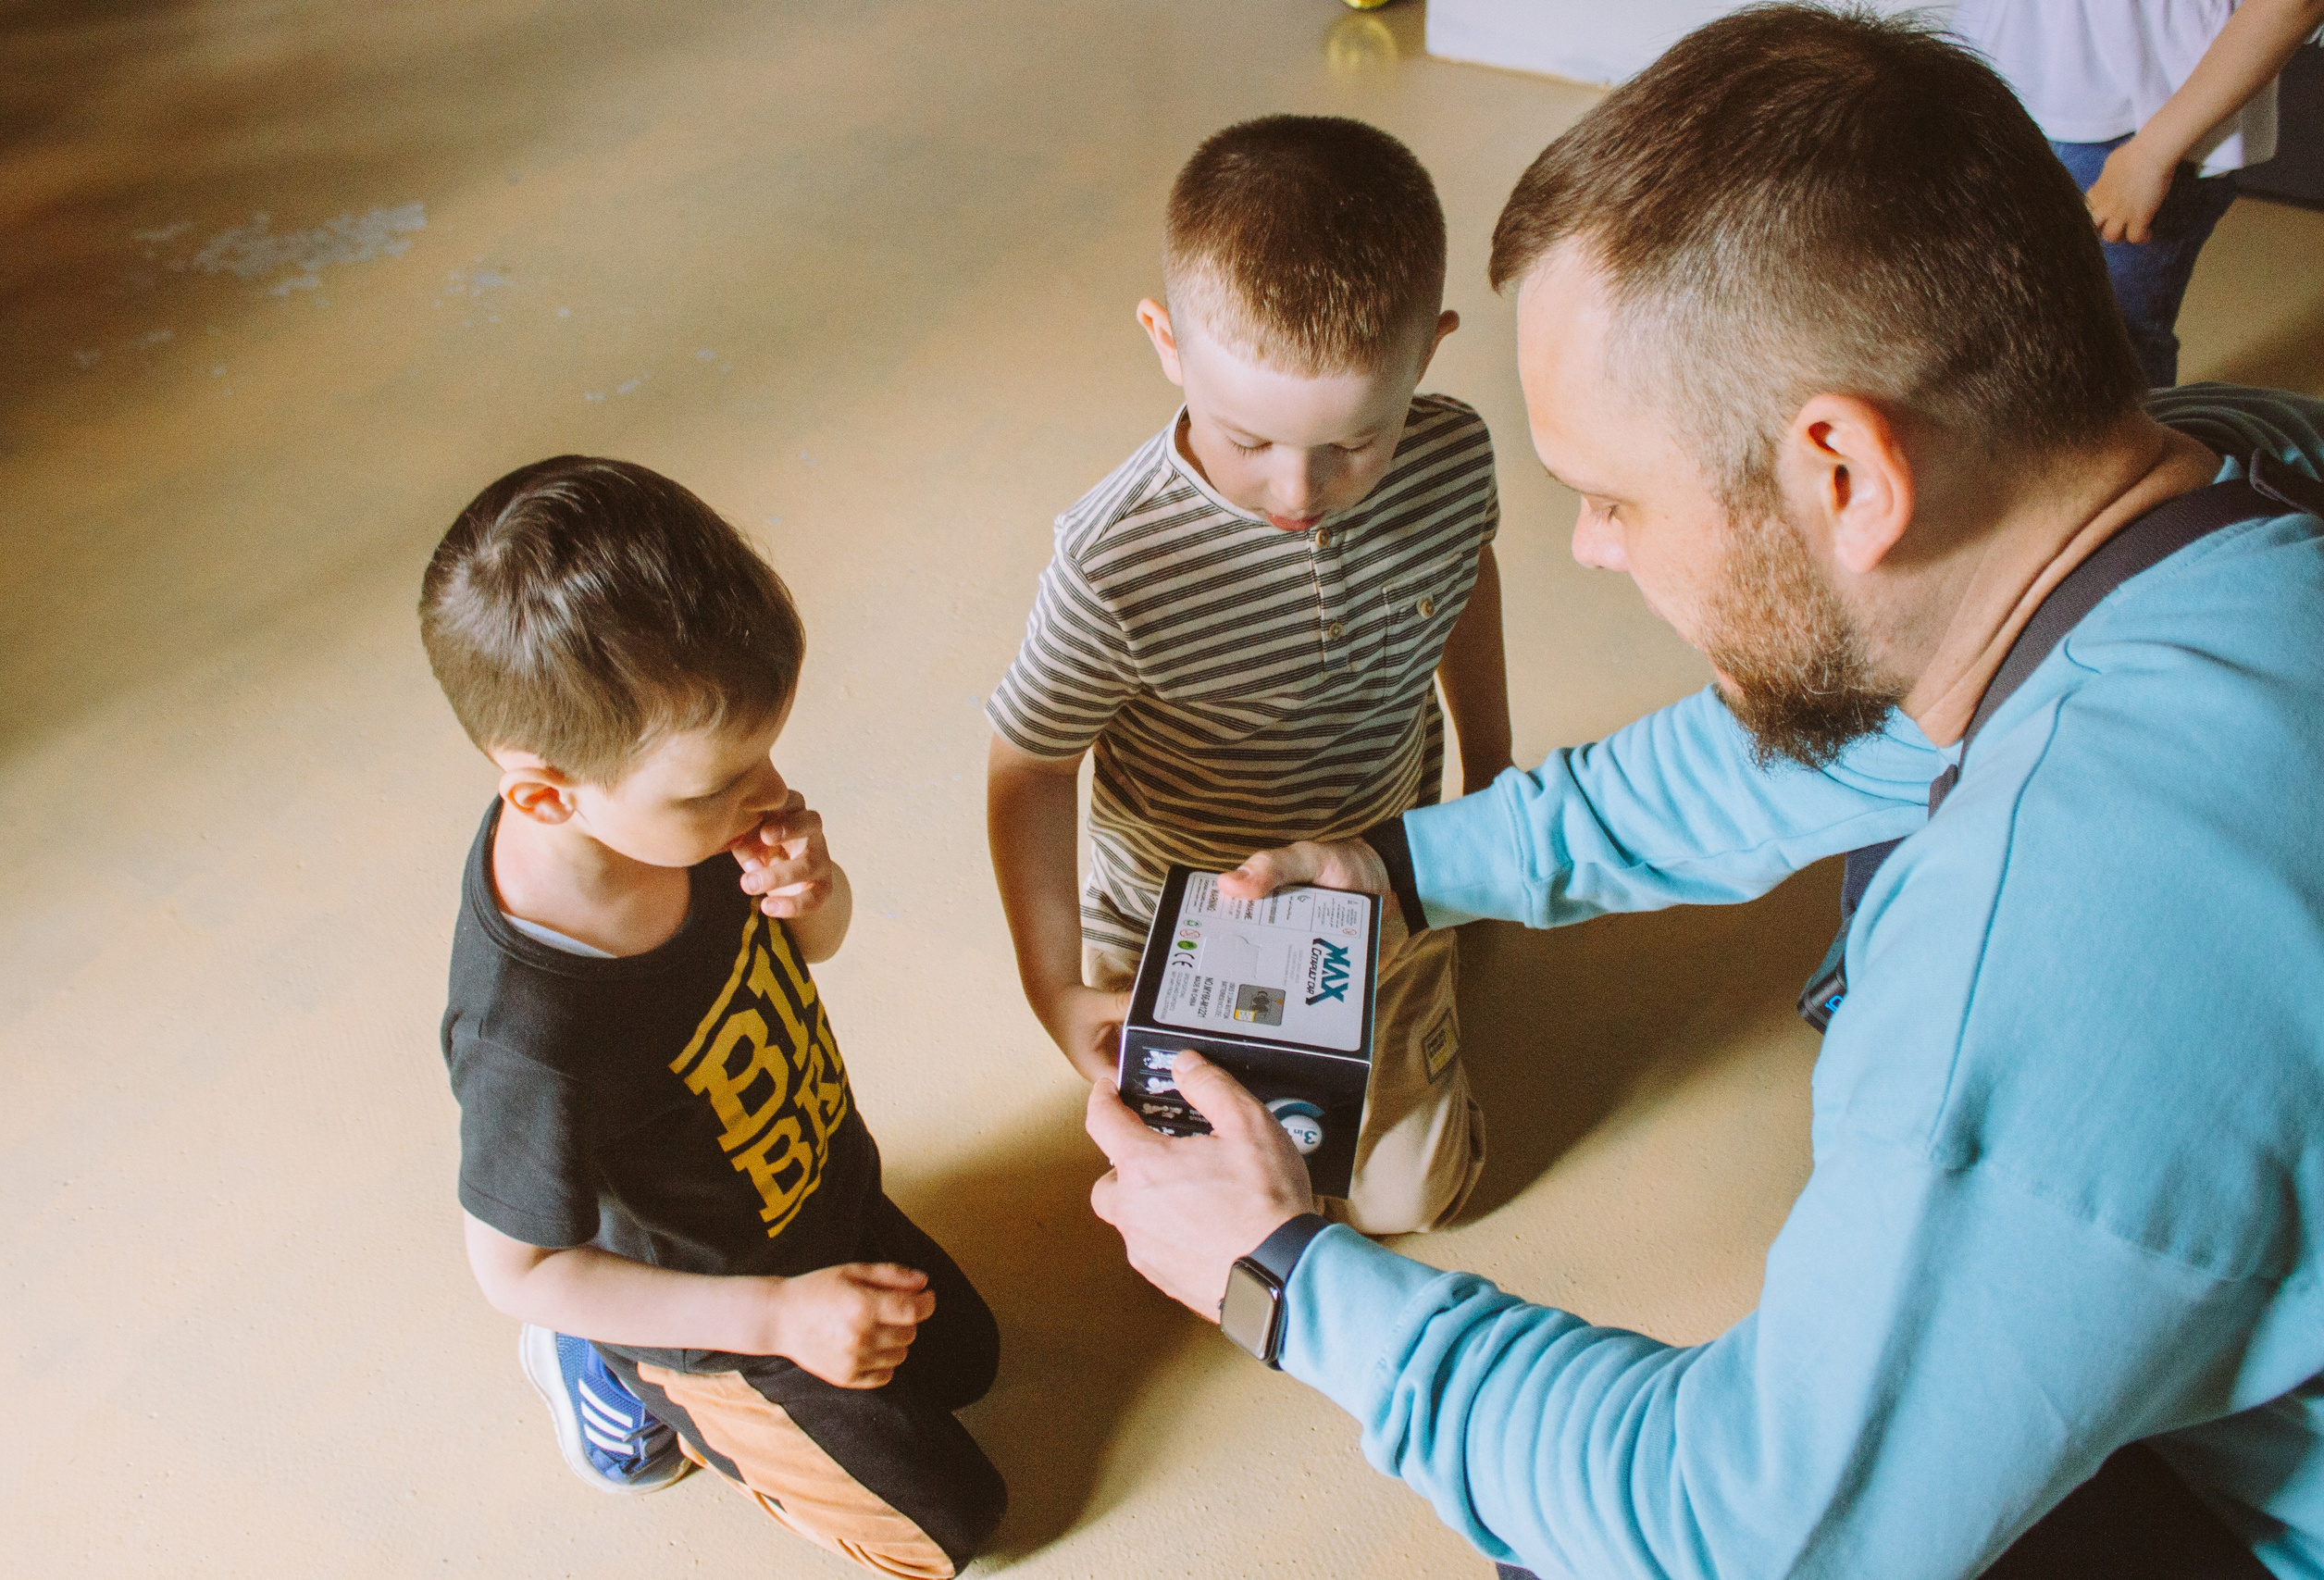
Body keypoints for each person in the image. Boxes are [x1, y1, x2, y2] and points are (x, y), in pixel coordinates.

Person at [1084, 8, 2324, 1579]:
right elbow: (1790, 757)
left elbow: (1736, 1533)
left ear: (1845, 476)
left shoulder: (2050, 952)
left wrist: (1283, 1269)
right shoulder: (2216, 487)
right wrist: (1399, 865)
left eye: (1611, 496)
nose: (1591, 549)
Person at [419, 458, 1003, 1578]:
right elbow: (513, 1270)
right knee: (952, 1529)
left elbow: (806, 953)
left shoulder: (667, 812)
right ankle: (608, 1362)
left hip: (810, 1193)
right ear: (545, 794)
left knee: (972, 1361)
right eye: (718, 784)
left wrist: (812, 893)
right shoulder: (531, 1036)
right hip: (719, 1307)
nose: (768, 790)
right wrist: (779, 1321)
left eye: (765, 751)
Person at [986, 114, 1512, 1235]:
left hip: (1381, 882)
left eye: (1353, 444)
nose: (1297, 491)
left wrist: (1495, 780)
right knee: (1200, 1206)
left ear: (1428, 351)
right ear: (1165, 341)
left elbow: (1468, 584)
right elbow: (1029, 765)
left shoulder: (1454, 454)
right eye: (1248, 439)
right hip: (1181, 924)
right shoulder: (1116, 560)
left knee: (1412, 1203)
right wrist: (1054, 988)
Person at [1951, 0, 2324, 388]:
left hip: (2140, 126)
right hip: (1996, 77)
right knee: (1994, 331)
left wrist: (2152, 153)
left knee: (2113, 351)